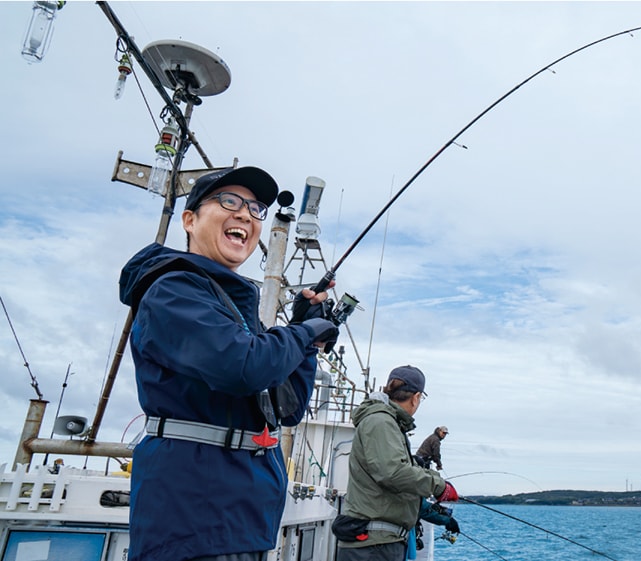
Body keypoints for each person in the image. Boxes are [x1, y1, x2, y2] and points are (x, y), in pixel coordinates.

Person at [118, 166, 340, 561]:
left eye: (255, 209)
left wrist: (302, 330)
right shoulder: (173, 289)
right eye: (229, 201)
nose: (245, 215)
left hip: (241, 518)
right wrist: (305, 335)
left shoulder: (232, 307)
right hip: (194, 519)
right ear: (189, 220)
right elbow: (244, 367)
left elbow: (285, 408)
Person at [336, 365, 460, 561]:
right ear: (416, 397)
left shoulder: (387, 423)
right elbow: (392, 472)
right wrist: (439, 485)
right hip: (374, 547)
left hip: (380, 543)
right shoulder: (381, 422)